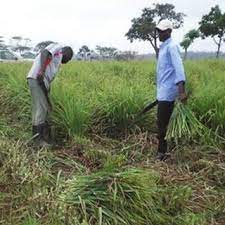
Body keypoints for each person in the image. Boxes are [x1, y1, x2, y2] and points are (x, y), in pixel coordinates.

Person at [27, 43, 73, 147]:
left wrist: (48, 98)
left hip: (40, 82)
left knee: (42, 108)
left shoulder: (56, 59)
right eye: (69, 58)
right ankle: (38, 141)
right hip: (37, 78)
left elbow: (48, 79)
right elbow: (45, 52)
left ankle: (41, 137)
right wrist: (41, 71)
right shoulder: (58, 48)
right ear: (67, 53)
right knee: (41, 109)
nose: (67, 61)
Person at [155, 19, 187, 161]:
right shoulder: (164, 47)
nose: (159, 34)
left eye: (162, 31)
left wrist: (181, 91)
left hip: (168, 92)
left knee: (162, 123)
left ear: (169, 31)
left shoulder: (172, 46)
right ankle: (164, 150)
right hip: (163, 91)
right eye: (158, 31)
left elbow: (178, 68)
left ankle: (162, 153)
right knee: (163, 122)